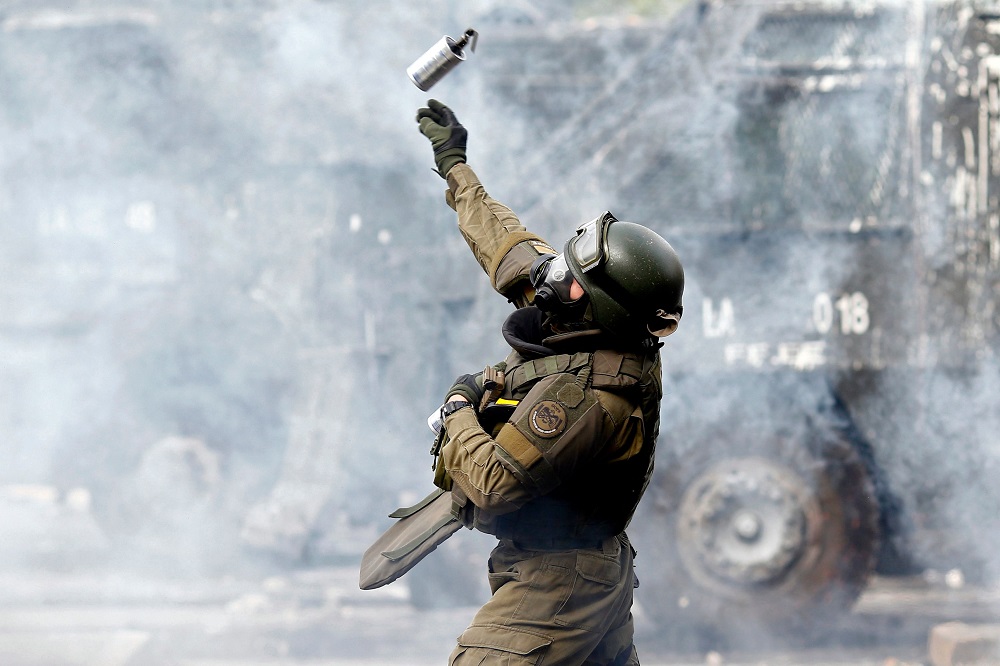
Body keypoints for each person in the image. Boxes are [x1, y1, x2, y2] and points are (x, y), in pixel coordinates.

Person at [416, 99, 684, 666]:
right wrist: (454, 162)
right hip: (591, 564)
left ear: (600, 309)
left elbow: (494, 483)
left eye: (572, 276)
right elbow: (507, 246)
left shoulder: (588, 396)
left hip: (559, 584)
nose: (553, 277)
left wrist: (460, 406)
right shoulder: (589, 322)